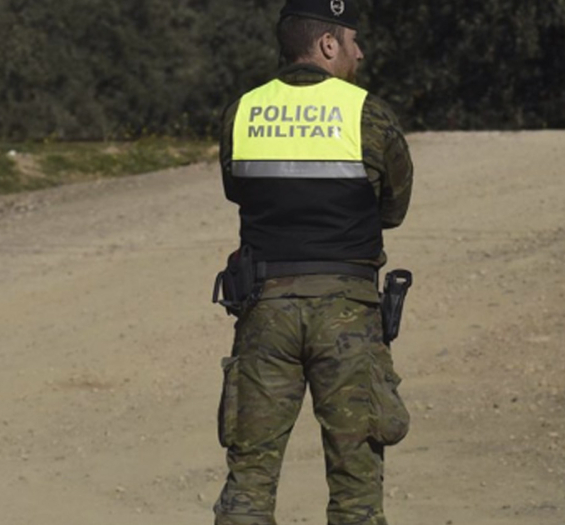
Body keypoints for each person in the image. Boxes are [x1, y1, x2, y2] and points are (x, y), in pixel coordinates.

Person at [213, 1, 414, 524]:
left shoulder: (243, 111)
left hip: (264, 310)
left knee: (249, 478)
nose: (360, 53)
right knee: (356, 485)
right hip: (347, 314)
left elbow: (238, 191)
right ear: (328, 45)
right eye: (353, 41)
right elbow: (393, 208)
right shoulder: (369, 114)